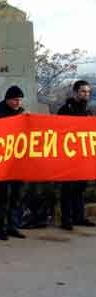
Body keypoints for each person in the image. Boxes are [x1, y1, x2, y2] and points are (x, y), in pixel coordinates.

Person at [0, 85, 28, 240]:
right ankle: (1, 228)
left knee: (17, 197)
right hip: (3, 164)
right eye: (15, 99)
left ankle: (13, 225)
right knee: (3, 197)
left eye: (20, 99)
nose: (18, 102)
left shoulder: (23, 115)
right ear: (7, 99)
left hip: (18, 163)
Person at [57, 80, 96, 230]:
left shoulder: (88, 112)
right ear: (75, 92)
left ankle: (79, 217)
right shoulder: (65, 109)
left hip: (83, 156)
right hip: (68, 156)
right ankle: (66, 220)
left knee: (80, 188)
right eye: (83, 91)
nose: (86, 94)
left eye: (88, 92)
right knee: (68, 188)